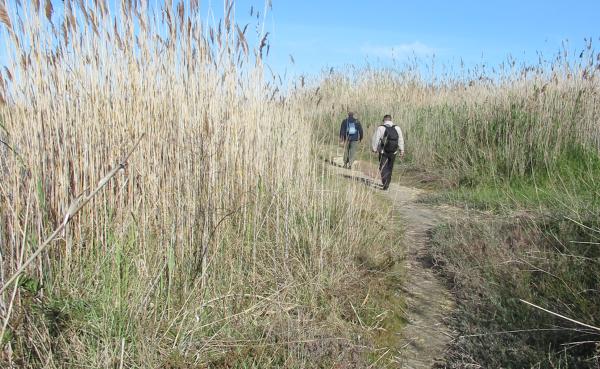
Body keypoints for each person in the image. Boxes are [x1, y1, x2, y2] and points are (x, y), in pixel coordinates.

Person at [371, 114, 404, 190]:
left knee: (383, 167)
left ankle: (385, 183)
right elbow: (400, 139)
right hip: (394, 152)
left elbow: (376, 139)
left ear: (384, 120)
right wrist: (402, 150)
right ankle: (388, 182)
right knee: (390, 167)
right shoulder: (397, 128)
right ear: (391, 120)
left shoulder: (380, 128)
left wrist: (374, 148)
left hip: (383, 151)